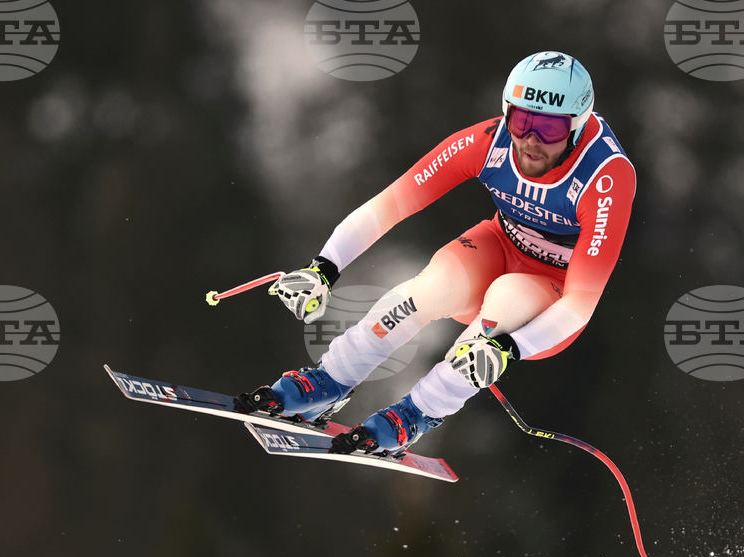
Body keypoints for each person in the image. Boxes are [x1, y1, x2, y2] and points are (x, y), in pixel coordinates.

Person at [238, 51, 636, 457]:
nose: (531, 140)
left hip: (550, 295)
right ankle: (329, 381)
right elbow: (391, 204)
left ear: (578, 124)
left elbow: (580, 304)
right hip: (499, 246)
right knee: (430, 287)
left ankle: (415, 414)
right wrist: (324, 267)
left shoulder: (606, 175)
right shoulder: (490, 141)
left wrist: (509, 348)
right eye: (521, 121)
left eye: (549, 129)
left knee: (507, 301)